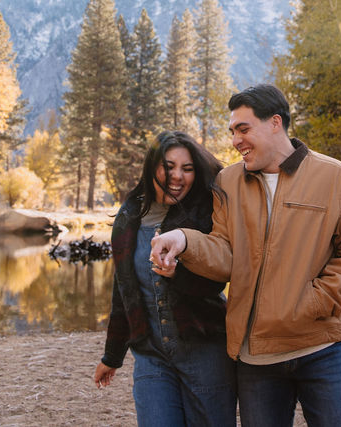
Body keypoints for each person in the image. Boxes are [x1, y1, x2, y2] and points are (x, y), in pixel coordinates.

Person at [150, 84, 341, 426]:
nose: (235, 140)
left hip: (322, 348)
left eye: (243, 129)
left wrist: (316, 302)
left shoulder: (337, 177)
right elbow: (225, 253)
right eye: (232, 131)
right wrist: (185, 241)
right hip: (255, 359)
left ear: (275, 123)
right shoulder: (228, 182)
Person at [93, 130, 237, 426]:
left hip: (205, 349)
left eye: (187, 169)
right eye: (169, 166)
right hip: (151, 354)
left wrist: (178, 275)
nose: (178, 176)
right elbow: (124, 291)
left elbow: (217, 281)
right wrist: (112, 355)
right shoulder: (129, 215)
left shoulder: (205, 211)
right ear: (152, 167)